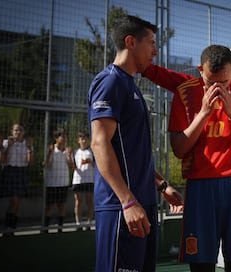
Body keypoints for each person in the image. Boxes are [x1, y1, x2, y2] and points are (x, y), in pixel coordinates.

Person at [142, 44, 231, 272]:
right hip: (200, 186)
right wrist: (203, 113)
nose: (217, 89)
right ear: (200, 70)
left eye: (224, 83)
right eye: (210, 83)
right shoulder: (186, 91)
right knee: (201, 263)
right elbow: (179, 149)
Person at [88, 15, 183, 272]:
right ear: (130, 42)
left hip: (143, 203)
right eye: (151, 43)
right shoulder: (110, 81)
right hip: (122, 206)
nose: (155, 50)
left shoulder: (130, 84)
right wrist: (127, 201)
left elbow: (130, 152)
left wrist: (162, 185)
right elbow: (99, 144)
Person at [1, 123, 34, 237]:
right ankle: (7, 227)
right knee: (14, 201)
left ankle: (12, 228)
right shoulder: (6, 143)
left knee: (17, 203)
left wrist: (30, 148)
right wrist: (8, 147)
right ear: (11, 132)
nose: (18, 132)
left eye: (20, 130)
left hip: (21, 171)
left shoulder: (26, 144)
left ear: (24, 132)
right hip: (10, 171)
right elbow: (3, 161)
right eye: (15, 130)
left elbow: (30, 163)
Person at [42, 128, 74, 233]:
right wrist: (50, 153)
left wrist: (69, 156)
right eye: (62, 136)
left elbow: (72, 167)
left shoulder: (68, 150)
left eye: (65, 136)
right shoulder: (50, 149)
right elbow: (48, 165)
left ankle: (60, 227)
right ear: (56, 138)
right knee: (49, 206)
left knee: (61, 205)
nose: (65, 138)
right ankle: (45, 227)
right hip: (51, 183)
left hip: (63, 182)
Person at [71, 131, 94, 231]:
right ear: (78, 140)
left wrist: (90, 162)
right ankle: (78, 223)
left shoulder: (92, 151)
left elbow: (97, 166)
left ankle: (89, 222)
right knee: (78, 202)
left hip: (89, 179)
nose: (84, 140)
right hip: (78, 179)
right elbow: (73, 167)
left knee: (89, 200)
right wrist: (69, 157)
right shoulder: (75, 152)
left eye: (85, 138)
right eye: (81, 139)